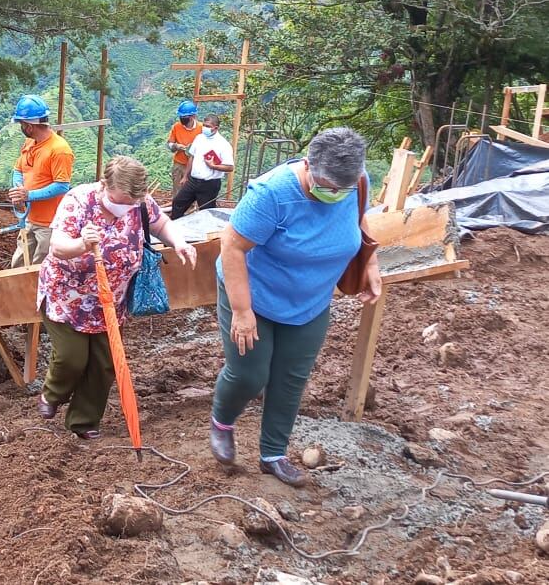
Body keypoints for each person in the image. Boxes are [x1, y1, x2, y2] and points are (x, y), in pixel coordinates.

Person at [210, 127, 382, 487]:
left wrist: (370, 265)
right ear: (307, 165)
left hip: (310, 301)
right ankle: (222, 422)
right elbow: (232, 246)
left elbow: (359, 220)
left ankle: (273, 454)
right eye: (327, 187)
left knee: (291, 378)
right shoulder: (272, 194)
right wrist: (242, 311)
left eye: (343, 189)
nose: (334, 195)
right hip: (254, 296)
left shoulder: (355, 181)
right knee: (249, 374)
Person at [35, 156, 197, 438]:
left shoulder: (140, 202)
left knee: (106, 363)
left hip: (110, 300)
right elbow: (58, 247)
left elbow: (161, 224)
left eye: (131, 203)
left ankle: (84, 421)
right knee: (72, 358)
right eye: (120, 201)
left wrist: (179, 242)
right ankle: (53, 394)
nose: (126, 208)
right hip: (68, 297)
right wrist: (83, 244)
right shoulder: (78, 201)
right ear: (103, 185)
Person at [7, 94, 75, 267]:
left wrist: (28, 195)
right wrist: (18, 190)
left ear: (29, 126)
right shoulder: (30, 142)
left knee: (40, 269)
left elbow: (62, 186)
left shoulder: (59, 150)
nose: (21, 128)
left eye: (21, 124)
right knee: (18, 264)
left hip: (49, 224)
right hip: (30, 219)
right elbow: (18, 169)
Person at [170, 114, 235, 218]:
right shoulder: (199, 138)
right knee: (178, 203)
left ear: (215, 128)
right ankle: (174, 224)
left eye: (208, 126)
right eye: (204, 125)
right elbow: (192, 157)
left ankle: (206, 228)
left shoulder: (223, 144)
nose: (205, 128)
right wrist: (185, 176)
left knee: (207, 212)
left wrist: (213, 166)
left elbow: (230, 167)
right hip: (193, 181)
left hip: (209, 184)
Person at [166, 100, 202, 193]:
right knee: (177, 192)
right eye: (181, 117)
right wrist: (176, 146)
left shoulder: (201, 128)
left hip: (195, 166)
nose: (182, 119)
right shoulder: (177, 127)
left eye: (184, 117)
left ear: (193, 116)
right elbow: (169, 144)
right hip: (179, 164)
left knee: (192, 193)